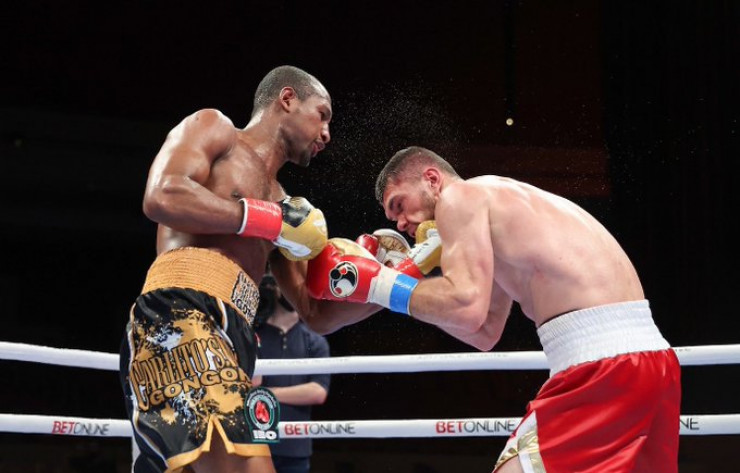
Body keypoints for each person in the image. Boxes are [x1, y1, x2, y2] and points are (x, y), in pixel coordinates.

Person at [305, 146, 681, 473]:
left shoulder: (460, 197)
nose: (401, 223)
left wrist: (378, 283)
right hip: (651, 359)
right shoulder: (497, 205)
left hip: (602, 365)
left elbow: (465, 307)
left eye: (399, 205)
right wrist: (399, 289)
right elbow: (484, 331)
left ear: (432, 179)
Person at [119, 65, 333, 473]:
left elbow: (315, 311)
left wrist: (384, 284)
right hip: (180, 316)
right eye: (321, 115)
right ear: (287, 99)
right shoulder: (215, 128)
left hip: (235, 341)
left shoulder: (285, 205)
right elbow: (162, 195)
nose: (326, 133)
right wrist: (267, 220)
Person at [253, 273, 331, 473]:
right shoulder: (254, 334)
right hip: (257, 442)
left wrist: (268, 393)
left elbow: (317, 392)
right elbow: (251, 385)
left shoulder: (314, 340)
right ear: (274, 289)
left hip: (295, 447)